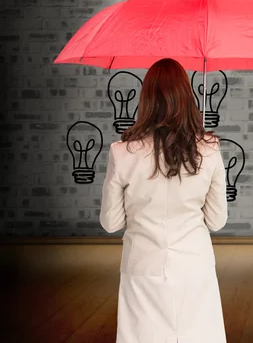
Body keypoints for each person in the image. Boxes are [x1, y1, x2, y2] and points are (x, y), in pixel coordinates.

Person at [99, 58, 228, 343]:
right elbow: (217, 221)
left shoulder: (122, 152)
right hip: (195, 267)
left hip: (143, 266)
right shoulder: (210, 149)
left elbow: (111, 223)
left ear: (146, 99)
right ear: (187, 96)